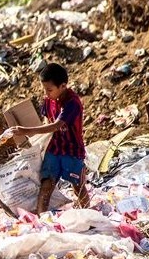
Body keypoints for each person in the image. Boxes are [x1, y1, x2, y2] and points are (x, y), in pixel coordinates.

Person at [9, 63, 90, 214]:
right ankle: (42, 220)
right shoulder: (48, 100)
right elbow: (47, 123)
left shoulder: (72, 103)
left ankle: (89, 215)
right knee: (46, 184)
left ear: (63, 86)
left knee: (78, 186)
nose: (46, 93)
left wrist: (24, 130)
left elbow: (55, 126)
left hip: (72, 151)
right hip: (54, 149)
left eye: (49, 90)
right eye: (44, 89)